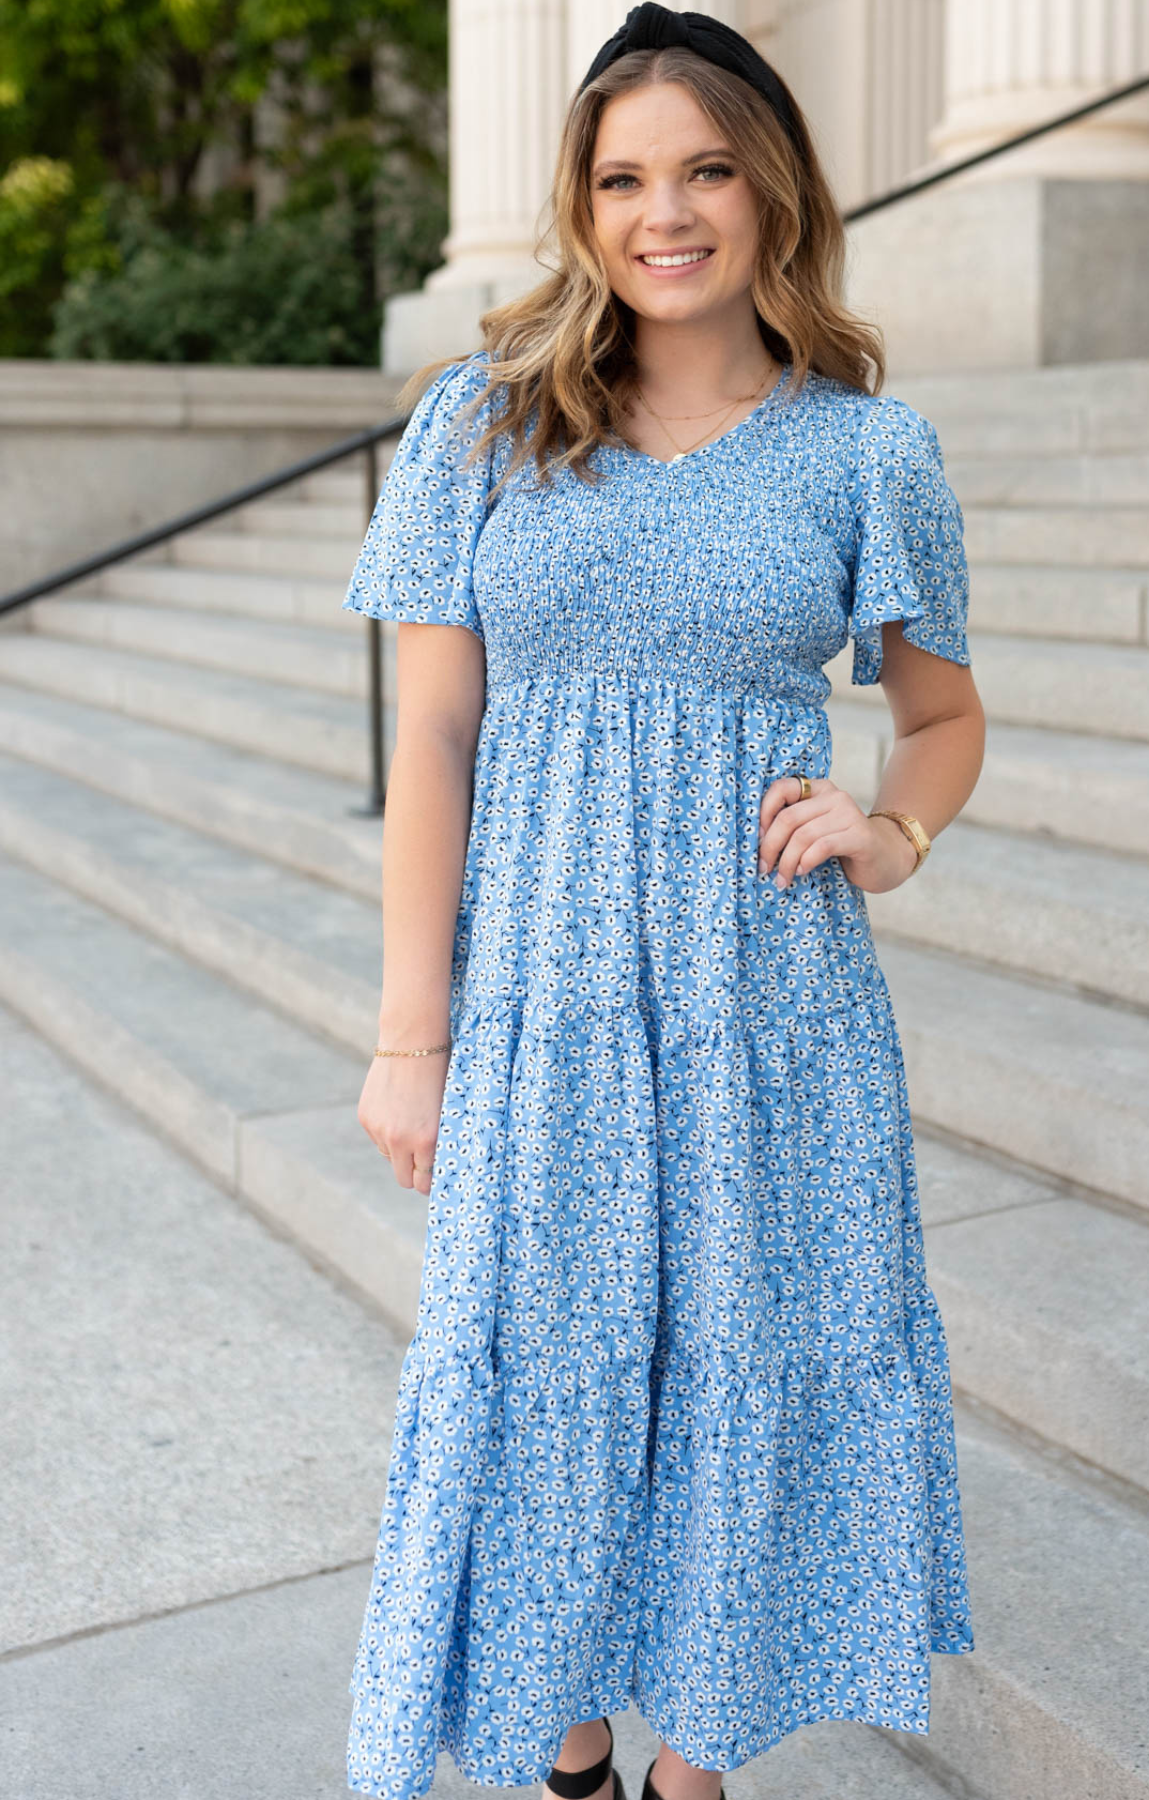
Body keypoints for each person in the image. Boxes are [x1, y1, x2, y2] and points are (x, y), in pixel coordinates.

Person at [341, 7, 983, 1799]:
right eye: (622, 177)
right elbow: (437, 734)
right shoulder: (482, 417)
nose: (664, 213)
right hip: (541, 996)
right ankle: (567, 1763)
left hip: (763, 1007)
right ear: (580, 203)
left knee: (733, 1379)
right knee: (539, 1381)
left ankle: (691, 1777)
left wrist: (891, 831)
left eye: (704, 169)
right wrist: (413, 1035)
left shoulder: (869, 450)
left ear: (770, 189)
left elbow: (937, 714)